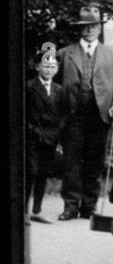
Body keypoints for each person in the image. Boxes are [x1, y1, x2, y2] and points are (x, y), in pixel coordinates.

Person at [56, 6, 113, 220]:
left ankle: (89, 207)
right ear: (79, 29)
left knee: (94, 163)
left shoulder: (111, 55)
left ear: (99, 28)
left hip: (99, 117)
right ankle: (70, 206)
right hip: (73, 117)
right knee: (71, 163)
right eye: (85, 26)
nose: (89, 30)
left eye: (93, 26)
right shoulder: (64, 53)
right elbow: (54, 85)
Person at [26, 50, 67, 224]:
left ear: (57, 69)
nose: (49, 70)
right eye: (45, 66)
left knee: (43, 172)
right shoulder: (29, 86)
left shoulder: (59, 89)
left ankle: (37, 210)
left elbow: (64, 114)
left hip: (51, 137)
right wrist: (31, 129)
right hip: (33, 135)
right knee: (31, 172)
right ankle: (23, 211)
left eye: (52, 67)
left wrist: (59, 133)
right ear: (37, 67)